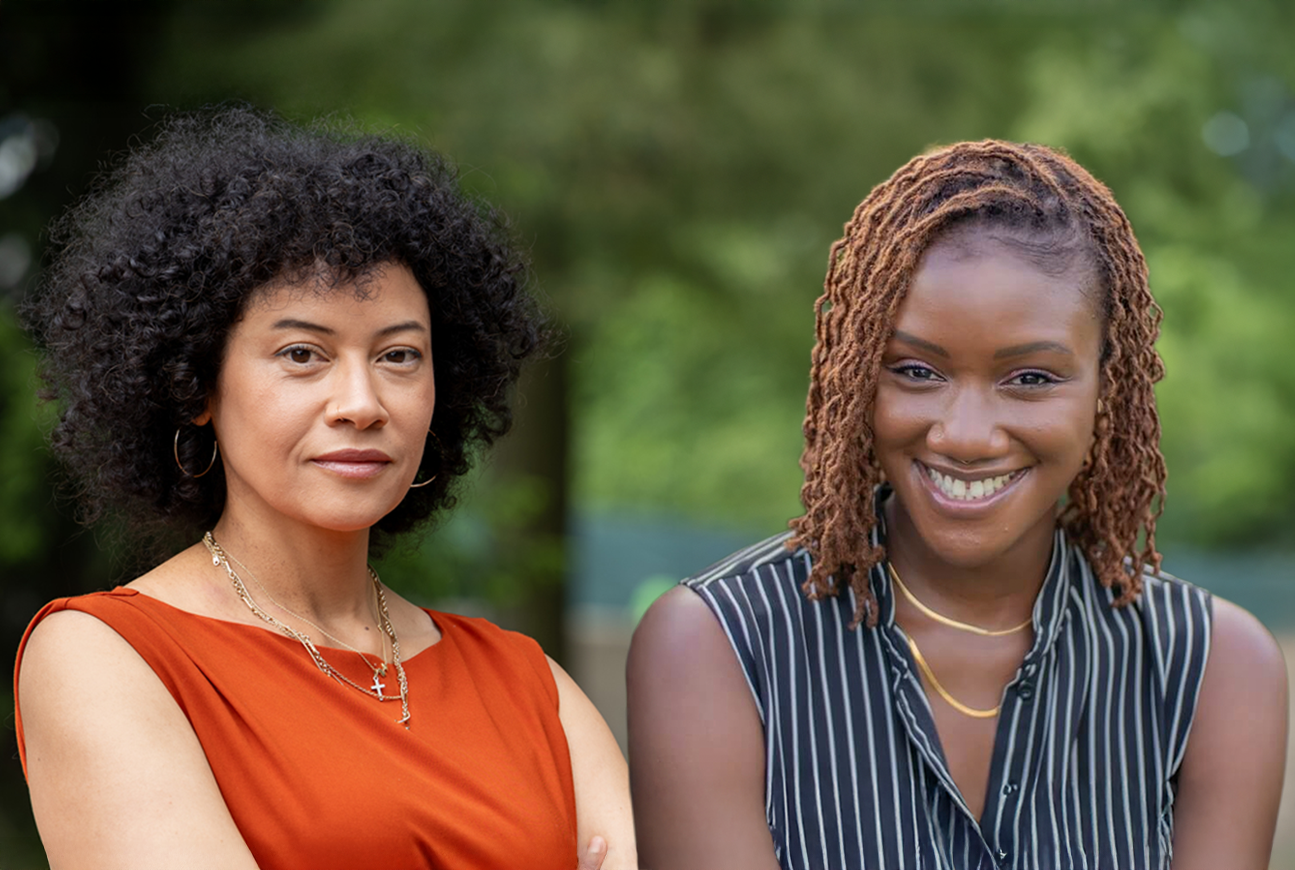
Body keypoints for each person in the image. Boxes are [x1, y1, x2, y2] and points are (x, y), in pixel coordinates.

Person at [627, 140, 1287, 869]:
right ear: (854, 376)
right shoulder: (717, 646)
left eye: (1030, 378)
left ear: (1109, 385)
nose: (964, 436)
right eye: (915, 370)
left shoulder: (1212, 670)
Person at [14, 107, 634, 870]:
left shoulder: (530, 684)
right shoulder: (105, 656)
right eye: (303, 353)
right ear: (196, 384)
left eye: (400, 356)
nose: (362, 402)